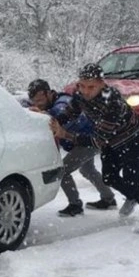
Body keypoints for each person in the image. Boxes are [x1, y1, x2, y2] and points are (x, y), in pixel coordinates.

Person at [50, 63, 139, 234]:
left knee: (133, 182)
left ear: (102, 84)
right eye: (82, 85)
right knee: (109, 177)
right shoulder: (80, 94)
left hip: (132, 140)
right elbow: (70, 112)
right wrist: (50, 118)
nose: (85, 91)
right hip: (112, 141)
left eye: (91, 87)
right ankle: (131, 196)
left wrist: (65, 134)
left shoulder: (112, 103)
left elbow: (98, 141)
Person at [27, 79, 116, 217]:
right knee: (88, 169)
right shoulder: (49, 104)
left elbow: (59, 113)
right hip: (83, 140)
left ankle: (75, 205)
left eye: (40, 99)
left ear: (49, 93)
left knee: (62, 171)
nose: (38, 104)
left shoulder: (62, 102)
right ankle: (108, 199)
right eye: (35, 101)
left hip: (88, 141)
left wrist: (46, 115)